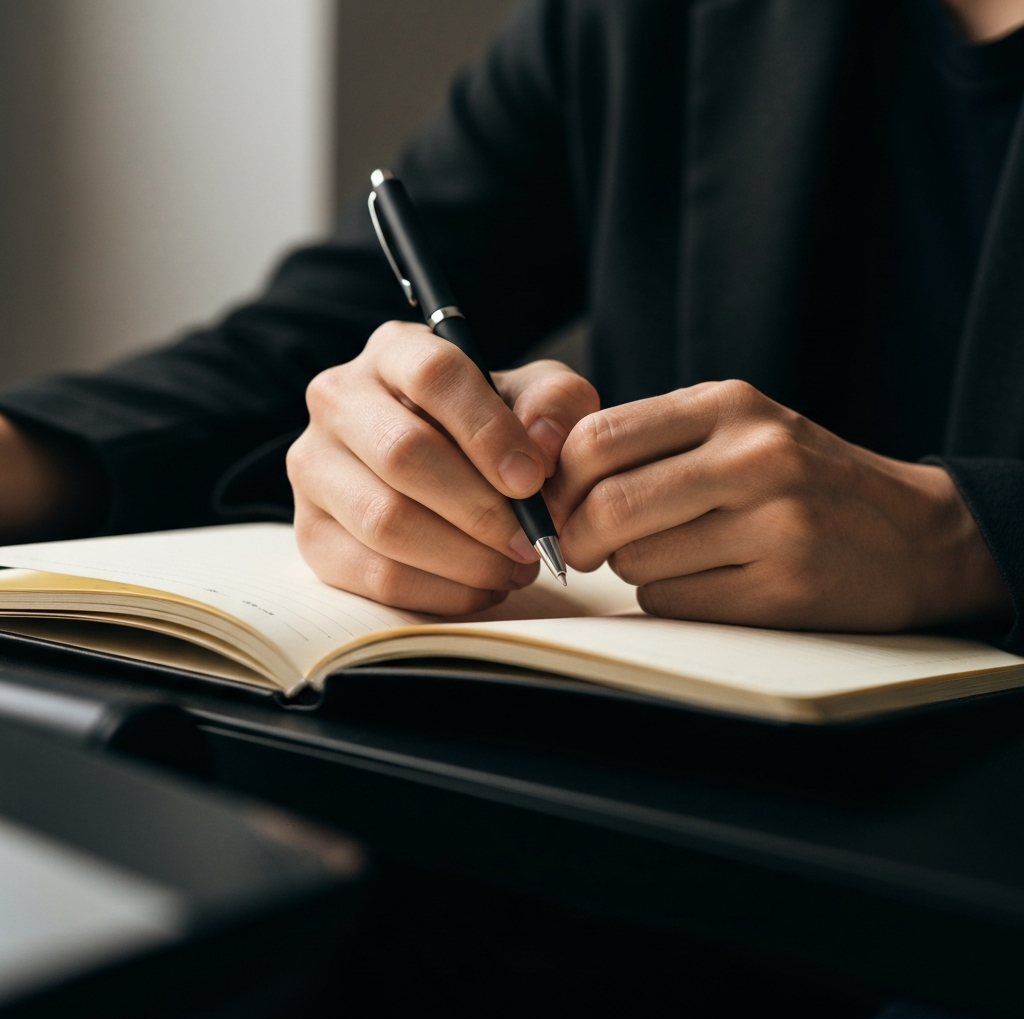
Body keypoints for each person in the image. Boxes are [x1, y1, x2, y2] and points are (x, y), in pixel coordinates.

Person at [0, 0, 1021, 644]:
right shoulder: (637, 20)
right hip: (665, 812)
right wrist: (381, 431)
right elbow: (304, 342)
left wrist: (969, 536)